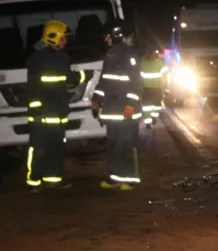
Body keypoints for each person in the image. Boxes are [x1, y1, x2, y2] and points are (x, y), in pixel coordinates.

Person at [25, 20, 88, 191]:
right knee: (46, 147)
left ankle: (46, 179)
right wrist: (84, 75)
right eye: (63, 38)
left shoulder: (36, 58)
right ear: (53, 38)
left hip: (51, 113)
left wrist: (36, 109)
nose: (65, 42)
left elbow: (36, 86)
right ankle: (36, 181)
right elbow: (69, 78)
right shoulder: (58, 59)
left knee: (51, 147)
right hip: (47, 113)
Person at [91, 20, 144, 190]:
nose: (105, 40)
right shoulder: (110, 54)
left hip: (126, 111)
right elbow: (104, 81)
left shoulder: (130, 54)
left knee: (126, 145)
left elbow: (136, 82)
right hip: (112, 111)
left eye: (107, 37)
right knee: (114, 146)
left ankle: (131, 179)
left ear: (115, 35)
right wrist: (96, 100)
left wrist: (131, 104)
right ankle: (115, 177)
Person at [139, 46, 167, 128]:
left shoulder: (159, 63)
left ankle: (153, 118)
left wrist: (165, 86)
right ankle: (148, 122)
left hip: (155, 88)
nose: (153, 56)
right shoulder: (143, 63)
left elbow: (165, 75)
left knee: (155, 105)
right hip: (148, 88)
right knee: (147, 106)